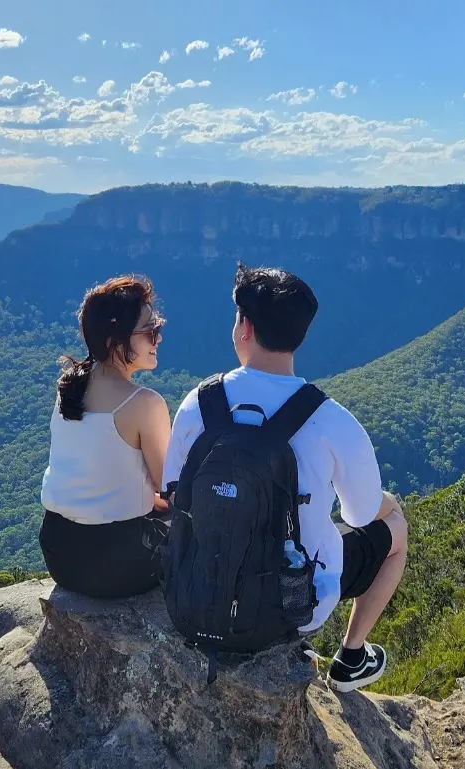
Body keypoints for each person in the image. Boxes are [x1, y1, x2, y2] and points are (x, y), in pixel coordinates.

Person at [161, 264, 408, 692]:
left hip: (195, 599)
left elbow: (173, 491)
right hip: (290, 610)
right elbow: (362, 514)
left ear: (244, 327)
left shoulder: (199, 404)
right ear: (301, 334)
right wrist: (386, 502)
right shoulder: (332, 421)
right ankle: (351, 657)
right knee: (396, 529)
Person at [39, 275, 172, 599]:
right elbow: (170, 487)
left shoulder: (68, 387)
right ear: (115, 340)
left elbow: (98, 482)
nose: (158, 338)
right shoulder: (144, 404)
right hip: (120, 565)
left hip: (59, 555)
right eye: (150, 330)